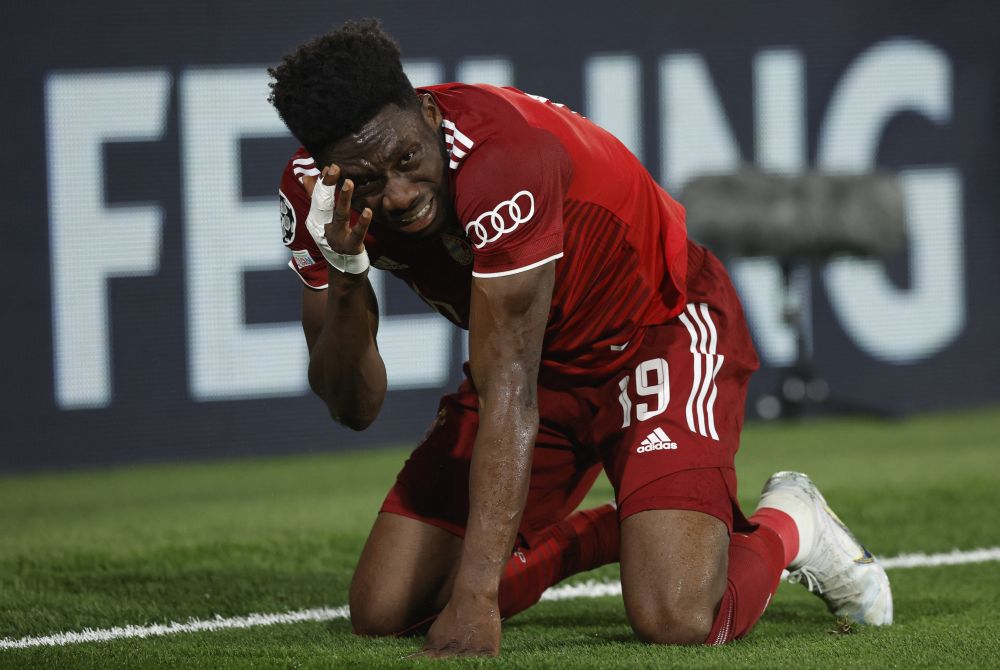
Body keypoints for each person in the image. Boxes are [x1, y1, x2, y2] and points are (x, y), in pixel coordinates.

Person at [268, 19, 892, 658]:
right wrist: (346, 273)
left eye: (407, 160)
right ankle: (631, 529)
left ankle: (789, 520)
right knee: (385, 611)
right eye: (370, 181)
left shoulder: (504, 158)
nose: (399, 196)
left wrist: (478, 599)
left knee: (677, 620)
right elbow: (355, 407)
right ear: (326, 169)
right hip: (538, 361)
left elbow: (509, 387)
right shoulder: (313, 199)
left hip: (655, 331)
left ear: (428, 114)